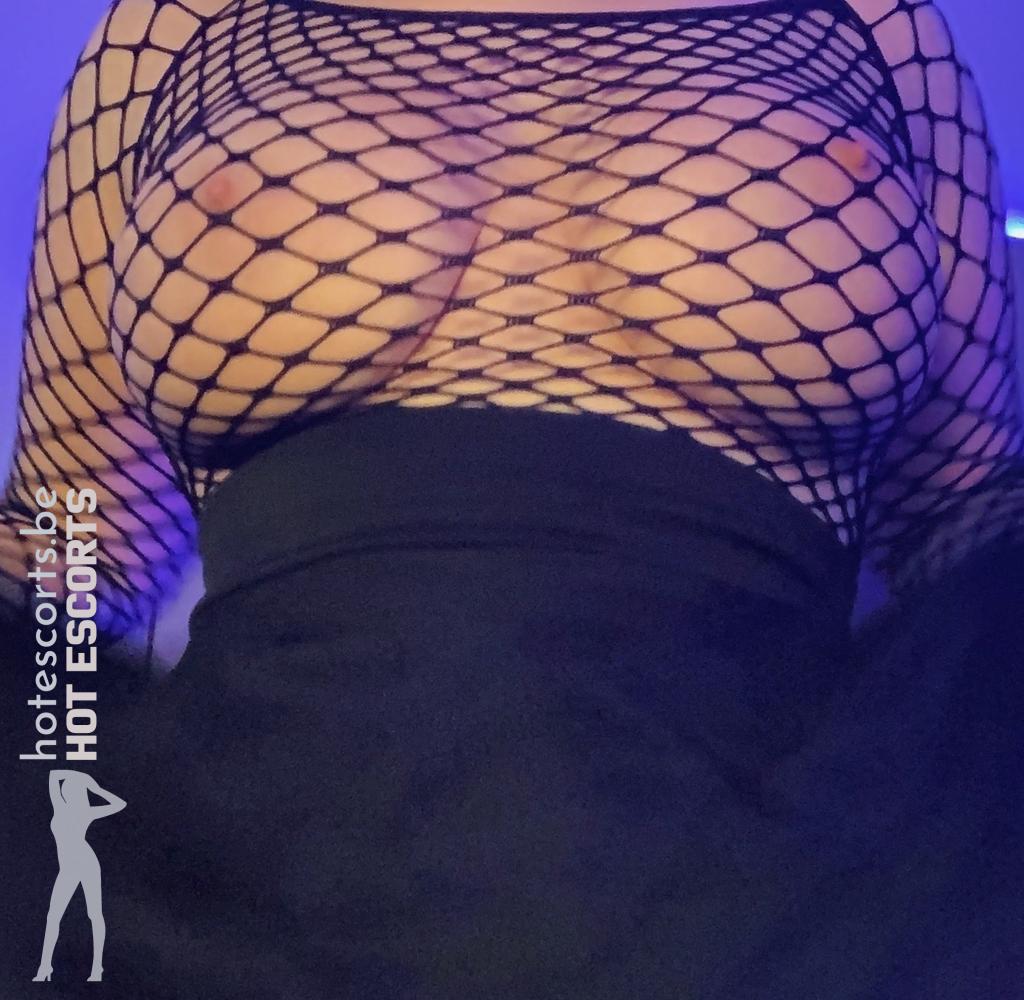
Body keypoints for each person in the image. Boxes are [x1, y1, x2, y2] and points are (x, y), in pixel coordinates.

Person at [1, 0, 1022, 996]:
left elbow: (965, 517)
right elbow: (74, 530)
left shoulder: (872, 24)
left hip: (800, 877)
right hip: (246, 866)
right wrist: (46, 798)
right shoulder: (178, 26)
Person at [33, 770, 128, 984]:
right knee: (53, 916)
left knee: (94, 914)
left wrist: (96, 789)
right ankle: (45, 966)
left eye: (72, 788)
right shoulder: (60, 805)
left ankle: (97, 968)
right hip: (68, 867)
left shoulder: (85, 811)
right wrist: (85, 779)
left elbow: (121, 804)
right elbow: (53, 774)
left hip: (86, 863)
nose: (67, 790)